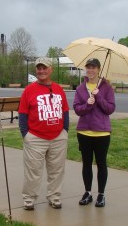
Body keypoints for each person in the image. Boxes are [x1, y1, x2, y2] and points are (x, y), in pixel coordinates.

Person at [18, 57, 69, 210]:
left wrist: (64, 131)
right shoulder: (29, 90)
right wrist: (26, 135)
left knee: (57, 170)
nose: (41, 71)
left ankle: (54, 197)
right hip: (35, 138)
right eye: (39, 68)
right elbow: (22, 114)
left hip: (58, 137)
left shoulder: (58, 89)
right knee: (33, 171)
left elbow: (65, 111)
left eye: (44, 68)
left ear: (51, 69)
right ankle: (29, 199)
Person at [73, 58, 115, 207]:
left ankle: (101, 194)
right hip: (84, 132)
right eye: (88, 67)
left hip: (102, 133)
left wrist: (99, 97)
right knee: (86, 163)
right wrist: (87, 104)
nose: (90, 70)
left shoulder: (107, 88)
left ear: (98, 69)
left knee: (101, 164)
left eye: (93, 67)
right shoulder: (80, 88)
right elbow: (77, 109)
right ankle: (88, 193)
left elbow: (110, 109)